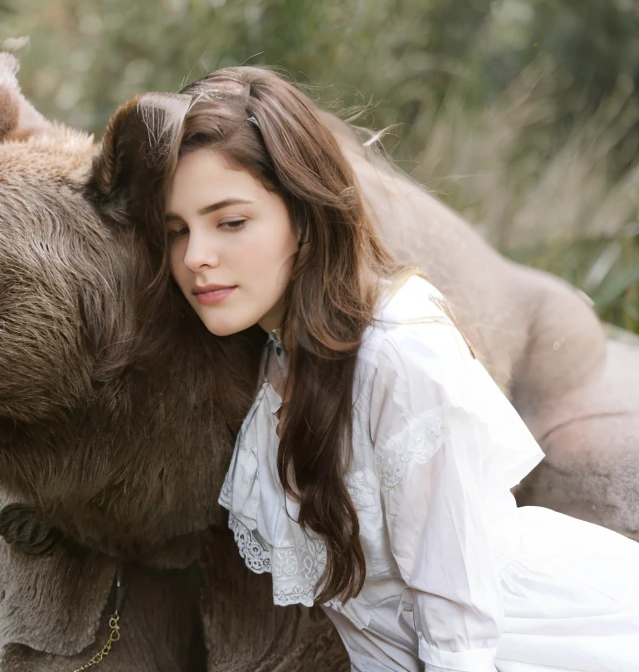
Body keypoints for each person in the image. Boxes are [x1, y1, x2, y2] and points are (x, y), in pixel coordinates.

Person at [142, 66, 639, 671]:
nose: (196, 258)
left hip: (533, 649)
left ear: (303, 215)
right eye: (176, 231)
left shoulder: (398, 351)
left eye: (231, 222)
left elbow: (457, 615)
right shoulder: (277, 349)